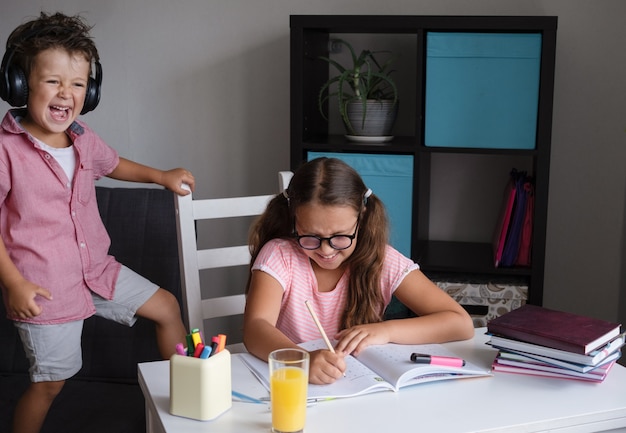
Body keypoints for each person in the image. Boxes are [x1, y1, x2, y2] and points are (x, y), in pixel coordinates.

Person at [0, 12, 195, 433]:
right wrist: (13, 282)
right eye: (53, 81)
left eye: (77, 83)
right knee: (51, 383)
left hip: (95, 270)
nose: (66, 93)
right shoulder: (6, 151)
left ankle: (187, 404)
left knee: (167, 307)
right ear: (19, 83)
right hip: (44, 285)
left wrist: (160, 176)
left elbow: (113, 164)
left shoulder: (83, 139)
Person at [243, 157, 474, 385]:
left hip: (361, 388)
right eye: (311, 236)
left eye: (340, 236)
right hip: (296, 390)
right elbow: (255, 328)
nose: (325, 250)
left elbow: (460, 324)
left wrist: (386, 331)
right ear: (294, 220)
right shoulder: (280, 256)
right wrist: (299, 360)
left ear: (361, 219)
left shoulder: (382, 259)